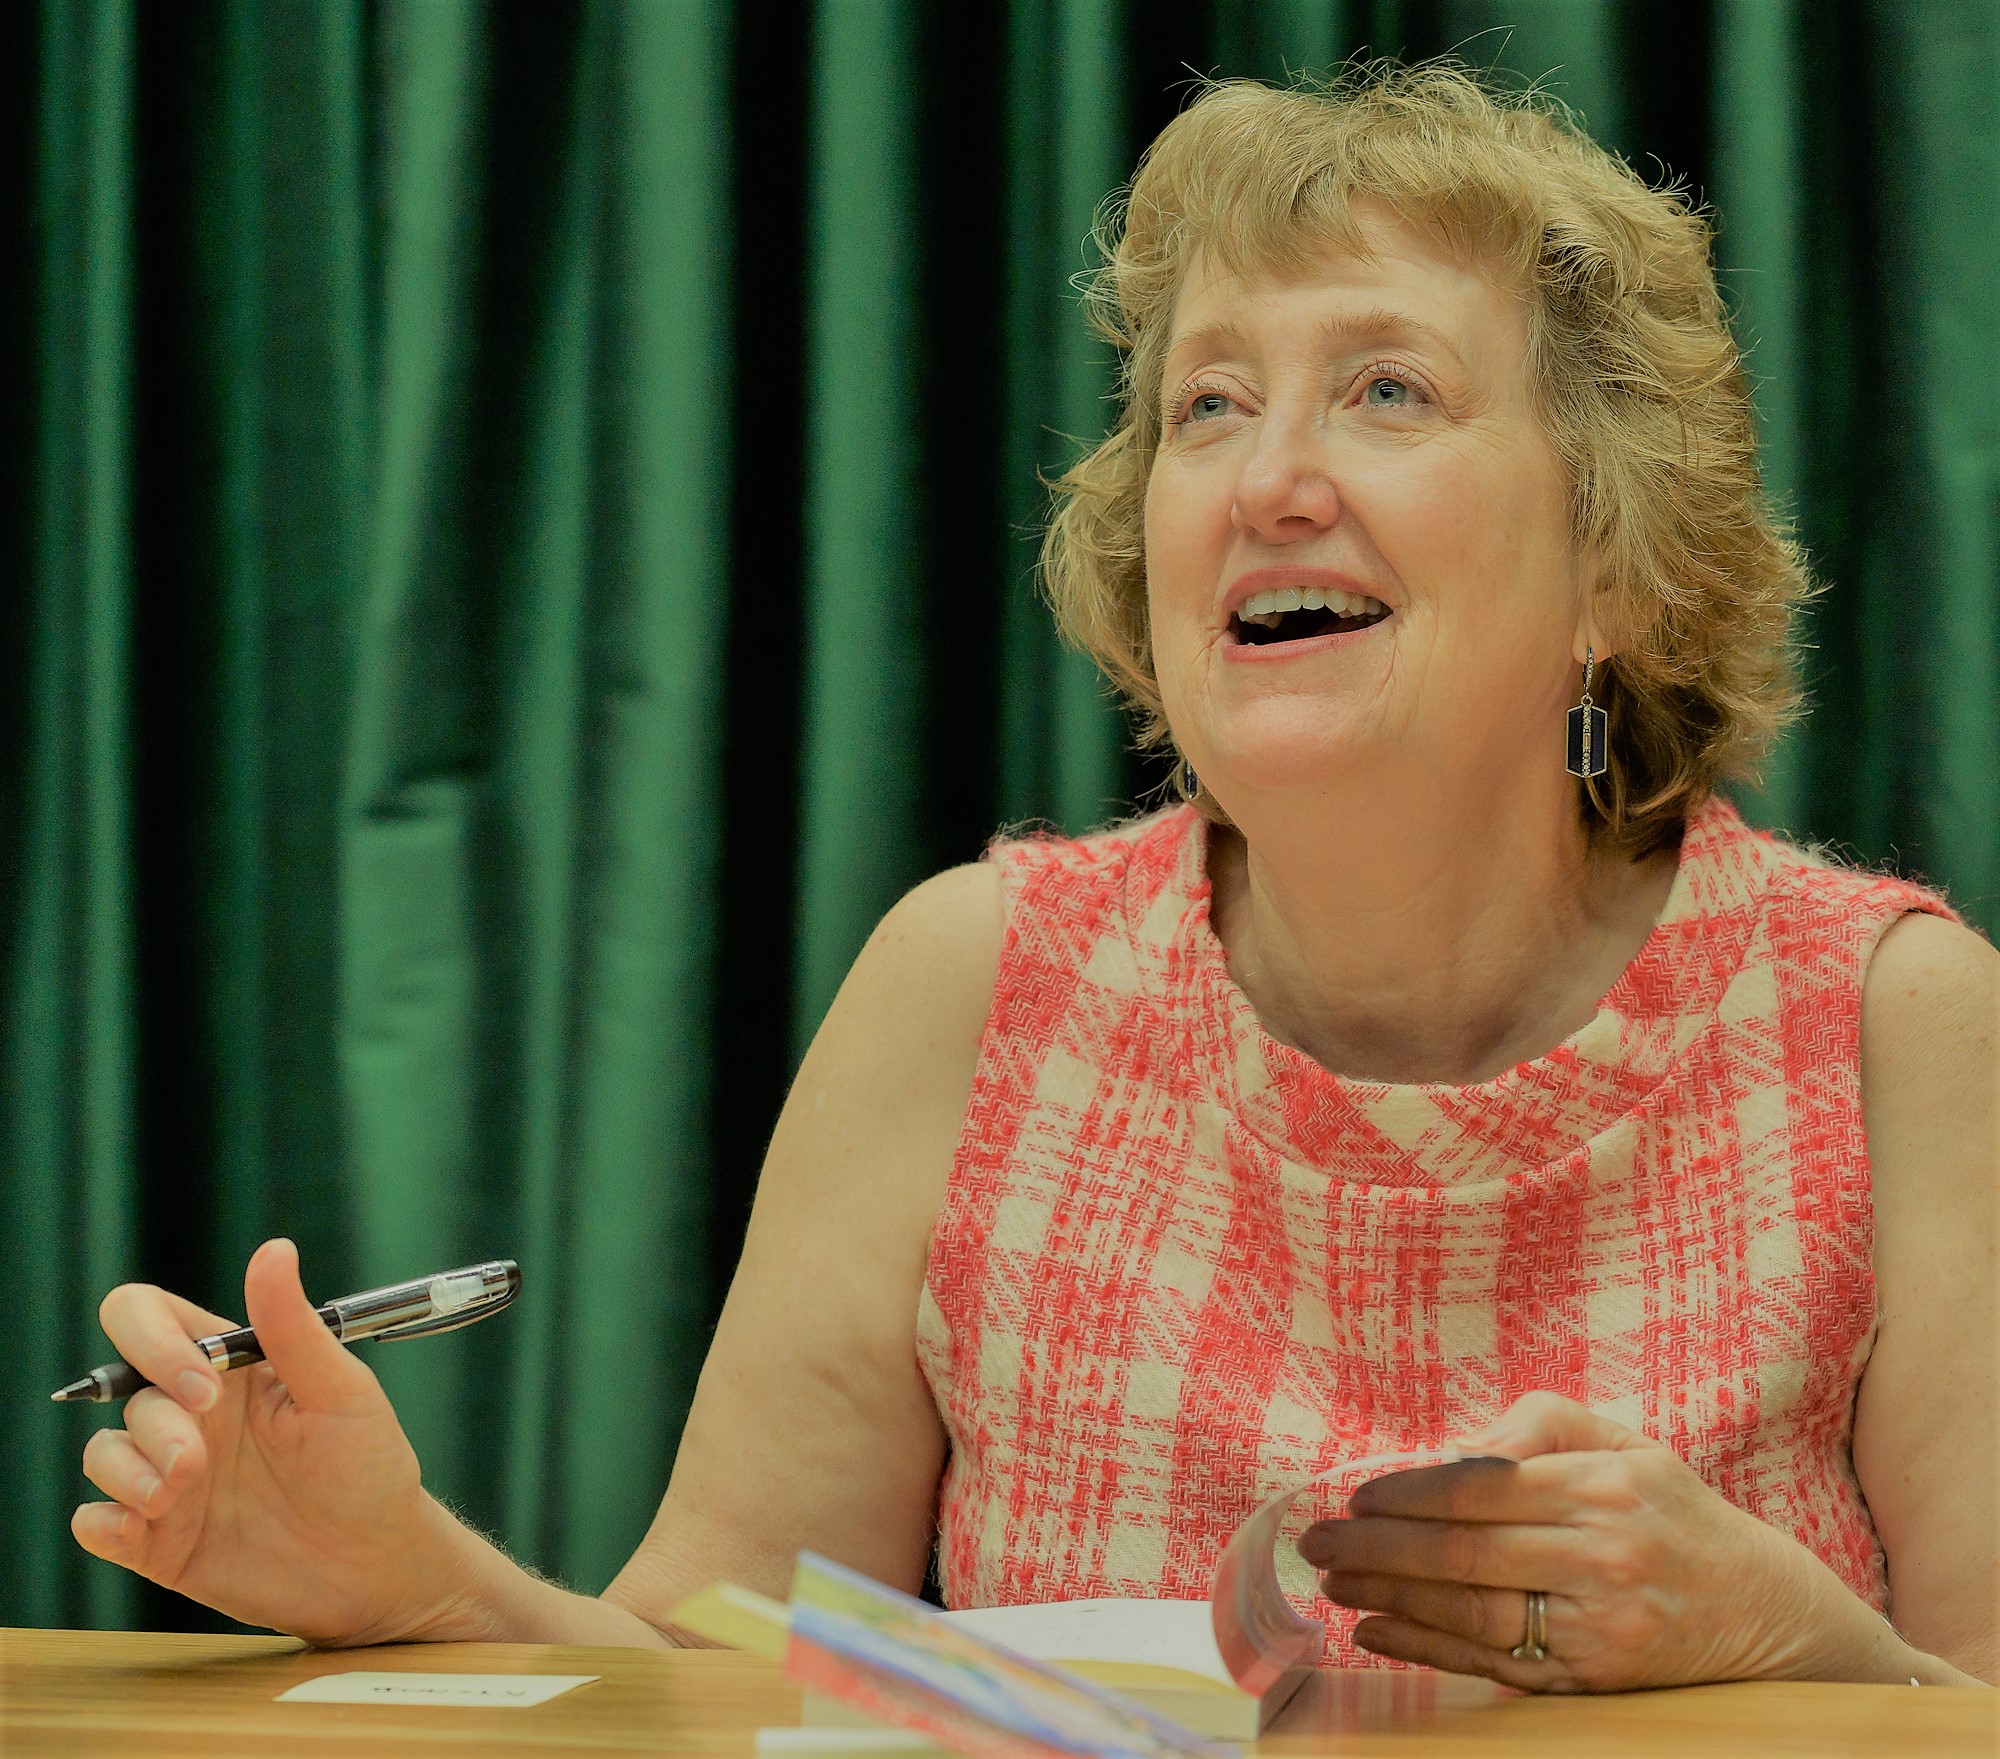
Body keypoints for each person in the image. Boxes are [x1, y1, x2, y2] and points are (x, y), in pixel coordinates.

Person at [72, 64, 1996, 1693]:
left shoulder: (1894, 1025)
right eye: (1207, 406)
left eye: (1388, 392)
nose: (1267, 481)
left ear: (1618, 566)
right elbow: (713, 1688)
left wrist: (1800, 1649)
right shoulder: (972, 980)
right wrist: (407, 1573)